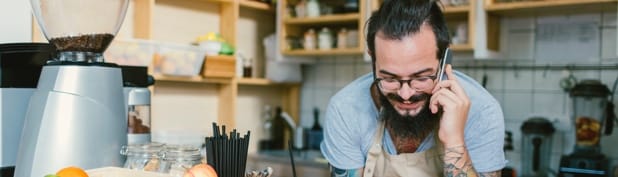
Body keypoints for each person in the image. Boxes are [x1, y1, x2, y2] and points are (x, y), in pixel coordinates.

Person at [320, 0, 507, 176]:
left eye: (421, 77)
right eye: (389, 78)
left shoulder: (482, 112)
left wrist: (455, 142)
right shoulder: (345, 109)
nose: (405, 94)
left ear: (444, 60)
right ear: (373, 58)